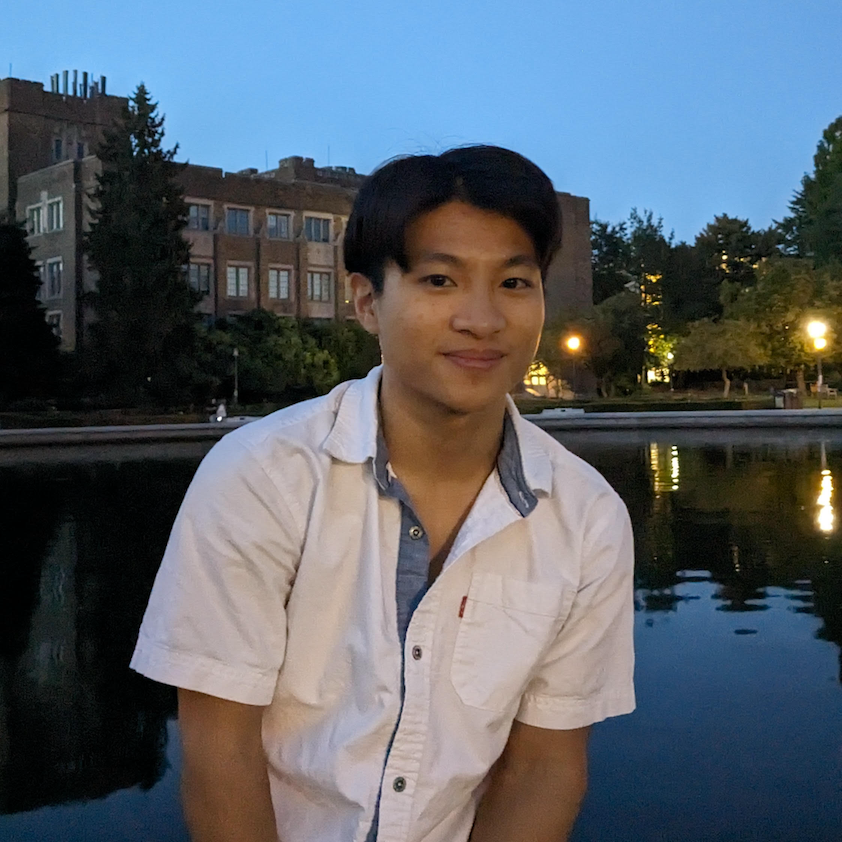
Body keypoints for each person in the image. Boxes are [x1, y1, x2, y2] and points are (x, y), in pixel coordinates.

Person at [131, 145, 635, 842]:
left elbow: (543, 769)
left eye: (514, 283)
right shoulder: (261, 477)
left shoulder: (587, 518)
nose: (482, 319)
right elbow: (220, 754)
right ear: (367, 300)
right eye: (440, 280)